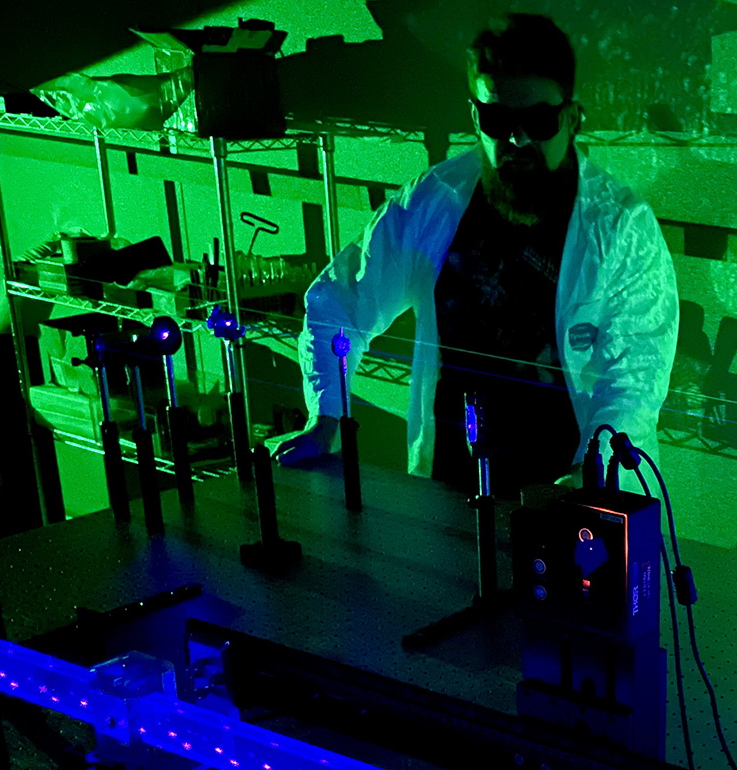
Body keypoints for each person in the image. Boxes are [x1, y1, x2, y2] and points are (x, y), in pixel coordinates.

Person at [274, 13, 677, 499]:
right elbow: (339, 303)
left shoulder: (619, 228)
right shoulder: (433, 200)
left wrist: (590, 476)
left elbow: (634, 376)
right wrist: (328, 416)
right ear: (474, 116)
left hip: (572, 496)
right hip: (451, 494)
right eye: (498, 120)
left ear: (572, 117)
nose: (517, 139)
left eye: (539, 121)